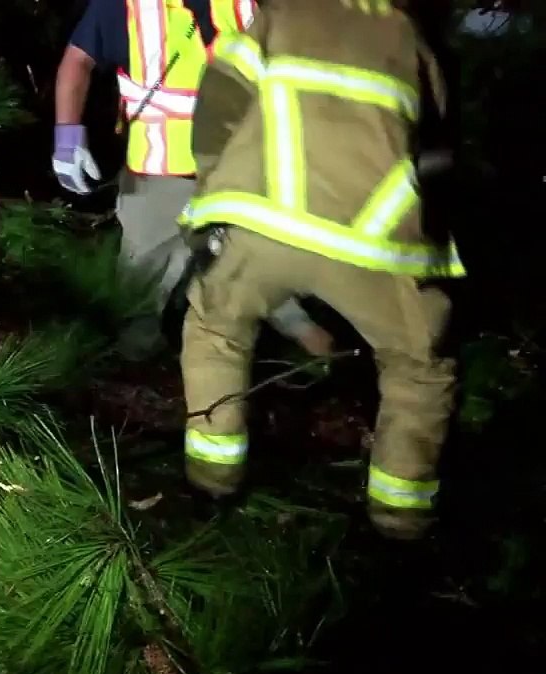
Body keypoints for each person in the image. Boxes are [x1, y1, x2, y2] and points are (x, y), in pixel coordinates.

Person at [176, 0, 465, 540]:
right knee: (418, 365)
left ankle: (212, 476)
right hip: (376, 237)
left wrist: (215, 198)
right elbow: (438, 144)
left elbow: (217, 101)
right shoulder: (409, 36)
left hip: (267, 223)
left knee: (217, 327)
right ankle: (400, 516)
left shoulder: (279, 16)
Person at [52, 0, 335, 360]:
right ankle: (134, 379)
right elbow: (78, 60)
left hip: (239, 172)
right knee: (141, 291)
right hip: (158, 177)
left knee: (252, 265)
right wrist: (67, 137)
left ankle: (308, 346)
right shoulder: (128, 7)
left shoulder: (245, 7)